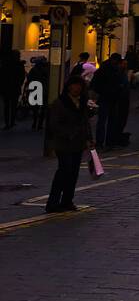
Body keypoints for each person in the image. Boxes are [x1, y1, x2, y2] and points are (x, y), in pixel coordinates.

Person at [45, 75, 92, 213]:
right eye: (74, 85)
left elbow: (85, 122)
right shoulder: (60, 103)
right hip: (64, 143)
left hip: (78, 143)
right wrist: (68, 133)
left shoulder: (82, 102)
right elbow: (54, 124)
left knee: (73, 172)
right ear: (69, 87)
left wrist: (89, 138)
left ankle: (67, 200)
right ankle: (53, 202)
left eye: (79, 86)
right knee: (64, 170)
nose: (77, 88)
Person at [90, 53, 127, 150]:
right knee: (111, 121)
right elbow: (118, 83)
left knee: (102, 121)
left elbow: (95, 84)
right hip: (111, 98)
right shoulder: (114, 70)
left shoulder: (102, 68)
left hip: (104, 97)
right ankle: (109, 142)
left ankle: (100, 142)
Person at [0, 49, 25, 130]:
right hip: (15, 87)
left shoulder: (6, 64)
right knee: (13, 105)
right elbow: (22, 76)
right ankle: (12, 121)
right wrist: (19, 84)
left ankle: (8, 123)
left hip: (7, 88)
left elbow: (2, 76)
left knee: (7, 106)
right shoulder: (19, 65)